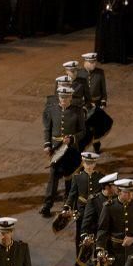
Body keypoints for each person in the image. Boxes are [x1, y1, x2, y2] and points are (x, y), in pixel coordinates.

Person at [41, 86, 86, 217]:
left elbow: (83, 132)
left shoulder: (77, 112)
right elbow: (47, 129)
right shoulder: (52, 110)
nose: (63, 100)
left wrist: (72, 138)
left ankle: (67, 204)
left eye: (66, 98)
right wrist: (47, 144)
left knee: (69, 177)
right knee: (53, 177)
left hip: (71, 150)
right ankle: (47, 205)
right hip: (56, 149)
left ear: (71, 98)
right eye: (61, 97)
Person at [82, 172, 118, 266]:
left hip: (114, 242)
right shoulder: (95, 200)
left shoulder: (116, 199)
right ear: (107, 187)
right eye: (115, 185)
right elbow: (86, 222)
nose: (117, 187)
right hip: (100, 242)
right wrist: (88, 238)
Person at [65, 151, 103, 266]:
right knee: (80, 236)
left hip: (95, 211)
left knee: (95, 235)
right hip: (81, 211)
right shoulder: (77, 178)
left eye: (91, 163)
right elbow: (72, 194)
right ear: (83, 162)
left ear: (95, 164)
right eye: (87, 163)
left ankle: (93, 259)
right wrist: (67, 206)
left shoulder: (100, 178)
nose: (89, 165)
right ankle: (80, 259)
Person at [81, 52, 108, 153]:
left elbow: (103, 89)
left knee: (96, 127)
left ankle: (96, 145)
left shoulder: (100, 73)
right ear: (85, 62)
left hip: (96, 105)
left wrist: (103, 101)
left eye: (94, 62)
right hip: (84, 105)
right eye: (91, 62)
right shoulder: (80, 73)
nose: (93, 64)